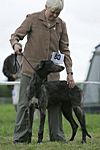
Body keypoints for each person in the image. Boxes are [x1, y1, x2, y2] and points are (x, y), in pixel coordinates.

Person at [10, 0, 75, 144]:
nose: (55, 15)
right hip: (31, 72)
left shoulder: (61, 25)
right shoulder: (32, 19)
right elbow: (15, 35)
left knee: (55, 104)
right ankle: (21, 138)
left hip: (51, 73)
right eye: (53, 11)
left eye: (58, 13)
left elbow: (65, 50)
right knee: (24, 104)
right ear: (46, 7)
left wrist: (69, 72)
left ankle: (57, 137)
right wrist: (15, 44)